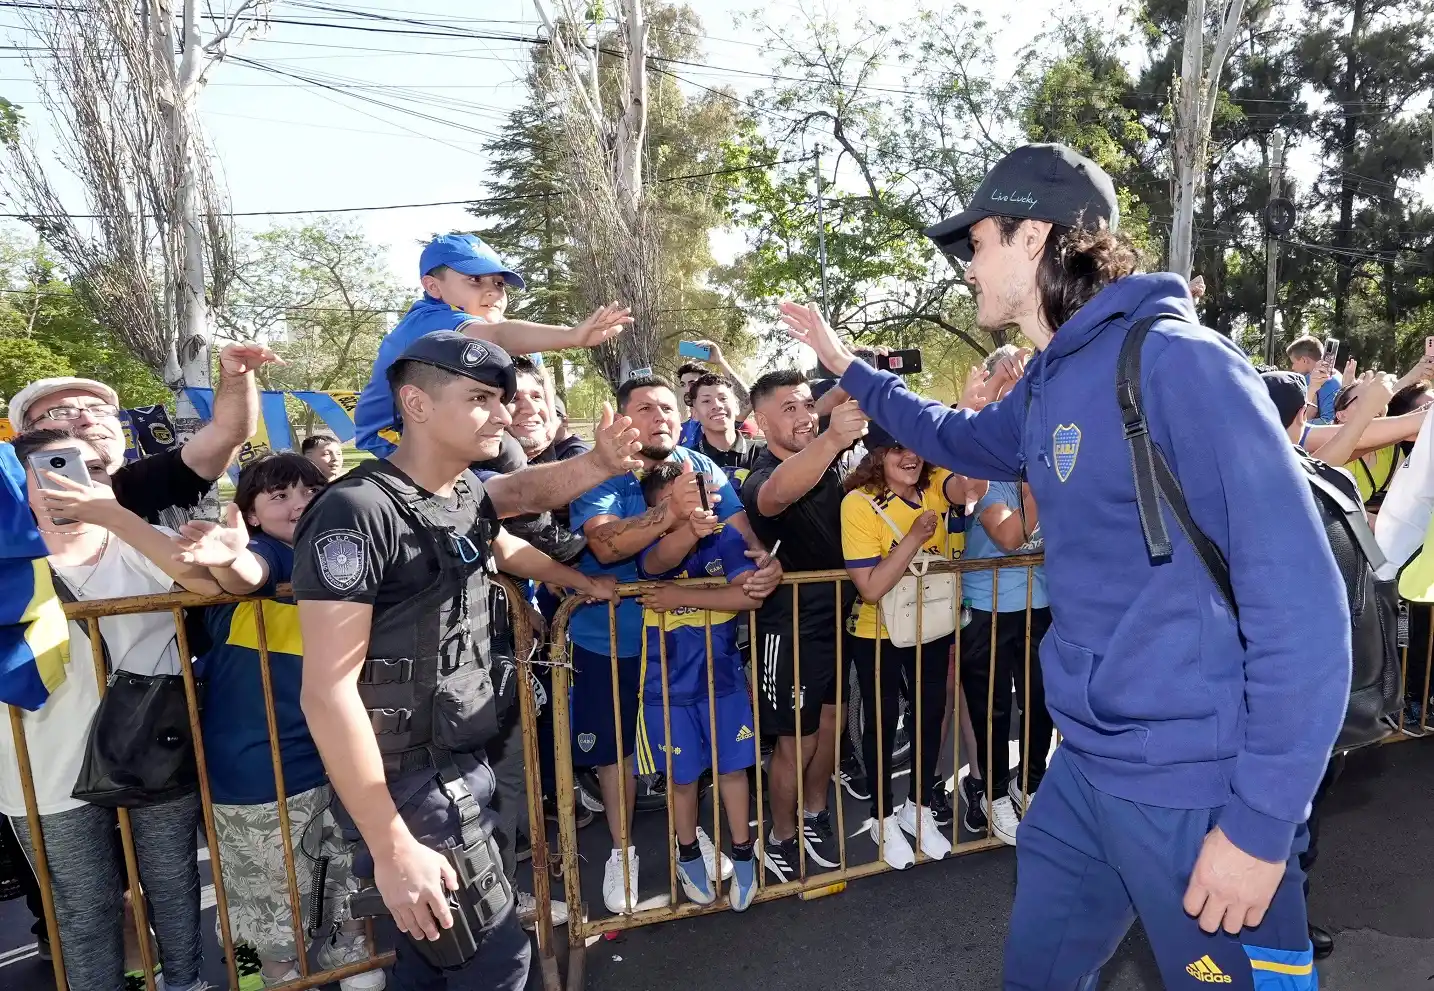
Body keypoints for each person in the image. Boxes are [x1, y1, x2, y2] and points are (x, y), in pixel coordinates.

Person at [783, 142, 1349, 988]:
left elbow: (1304, 610)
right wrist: (849, 370)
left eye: (975, 243)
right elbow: (953, 436)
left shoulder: (1178, 362)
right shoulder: (1048, 382)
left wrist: (1261, 826)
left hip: (1190, 780)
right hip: (1086, 767)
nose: (965, 266)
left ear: (1036, 235)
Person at [294, 330, 633, 990]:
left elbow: (507, 519)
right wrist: (392, 846)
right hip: (409, 789)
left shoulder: (459, 494)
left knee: (427, 968)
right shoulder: (357, 510)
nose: (504, 414)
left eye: (502, 399)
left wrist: (579, 574)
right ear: (415, 404)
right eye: (481, 398)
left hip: (459, 764)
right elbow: (327, 691)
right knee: (499, 964)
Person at [4, 426, 222, 991]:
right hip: (40, 761)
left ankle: (186, 983)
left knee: (173, 883)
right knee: (83, 905)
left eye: (94, 469)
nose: (76, 481)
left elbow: (205, 585)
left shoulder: (137, 539)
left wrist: (116, 517)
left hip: (150, 742)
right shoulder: (7, 560)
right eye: (51, 468)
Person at [568, 374, 782, 914]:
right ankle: (624, 852)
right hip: (611, 638)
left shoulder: (698, 463)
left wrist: (763, 565)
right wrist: (676, 516)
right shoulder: (603, 468)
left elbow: (738, 534)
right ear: (622, 417)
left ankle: (706, 842)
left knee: (702, 757)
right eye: (645, 408)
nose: (659, 416)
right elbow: (607, 544)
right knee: (618, 752)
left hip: (697, 647)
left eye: (667, 406)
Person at [169, 453, 382, 990]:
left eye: (310, 491)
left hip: (333, 756)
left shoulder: (342, 555)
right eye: (279, 496)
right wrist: (229, 556)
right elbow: (248, 575)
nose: (299, 504)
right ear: (252, 515)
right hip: (253, 767)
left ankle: (348, 948)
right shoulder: (267, 555)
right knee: (253, 889)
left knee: (341, 866)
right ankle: (259, 975)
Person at [738, 370, 869, 880]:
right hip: (789, 625)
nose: (802, 417)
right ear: (761, 419)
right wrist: (833, 434)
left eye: (806, 406)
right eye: (787, 409)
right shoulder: (760, 473)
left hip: (842, 616)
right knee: (797, 741)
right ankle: (781, 834)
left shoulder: (831, 453)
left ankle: (814, 812)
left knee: (830, 727)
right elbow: (775, 495)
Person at [353, 232, 630, 459]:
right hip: (392, 437)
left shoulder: (498, 327)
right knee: (509, 458)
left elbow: (538, 369)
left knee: (545, 452)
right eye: (474, 280)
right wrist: (573, 335)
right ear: (433, 287)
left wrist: (550, 426)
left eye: (499, 283)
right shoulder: (430, 319)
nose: (493, 291)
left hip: (449, 426)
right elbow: (499, 336)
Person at [633, 461, 763, 911]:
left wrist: (680, 597)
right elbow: (656, 566)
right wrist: (684, 530)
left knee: (733, 770)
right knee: (683, 778)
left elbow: (747, 595)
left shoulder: (726, 537)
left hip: (723, 681)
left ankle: (744, 854)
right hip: (665, 689)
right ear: (657, 508)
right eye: (681, 494)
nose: (697, 501)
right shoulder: (648, 542)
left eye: (699, 491)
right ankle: (687, 853)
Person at [839, 422, 967, 870]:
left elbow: (973, 482)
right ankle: (881, 816)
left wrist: (971, 411)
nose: (909, 455)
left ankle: (920, 807)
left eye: (916, 445)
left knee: (931, 714)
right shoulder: (857, 503)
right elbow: (870, 587)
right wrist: (914, 538)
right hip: (878, 631)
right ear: (876, 454)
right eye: (896, 448)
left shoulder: (933, 485)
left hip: (933, 624)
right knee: (882, 721)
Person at [6, 342, 280, 526]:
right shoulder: (9, 509)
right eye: (62, 413)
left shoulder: (156, 478)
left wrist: (235, 377)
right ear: (27, 434)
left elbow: (229, 431)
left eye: (100, 409)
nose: (88, 420)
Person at [957, 472, 1053, 849]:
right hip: (986, 608)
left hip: (1039, 604)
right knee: (992, 709)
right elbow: (1009, 537)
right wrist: (1045, 490)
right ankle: (992, 793)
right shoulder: (988, 481)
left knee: (1041, 700)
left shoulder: (1048, 476)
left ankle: (1028, 784)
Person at [683, 372, 764, 483]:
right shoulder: (688, 461)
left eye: (723, 398)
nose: (717, 405)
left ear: (736, 406)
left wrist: (720, 361)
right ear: (695, 412)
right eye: (706, 401)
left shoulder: (763, 453)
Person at [676, 340, 751, 448]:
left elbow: (749, 400)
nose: (687, 389)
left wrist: (720, 362)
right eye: (683, 384)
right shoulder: (680, 429)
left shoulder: (720, 418)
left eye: (692, 383)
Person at [1286, 337, 1342, 424]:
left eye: (1293, 362)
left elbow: (1327, 421)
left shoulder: (1312, 378)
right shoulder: (1336, 374)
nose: (1293, 367)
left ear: (1304, 360)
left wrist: (1292, 427)